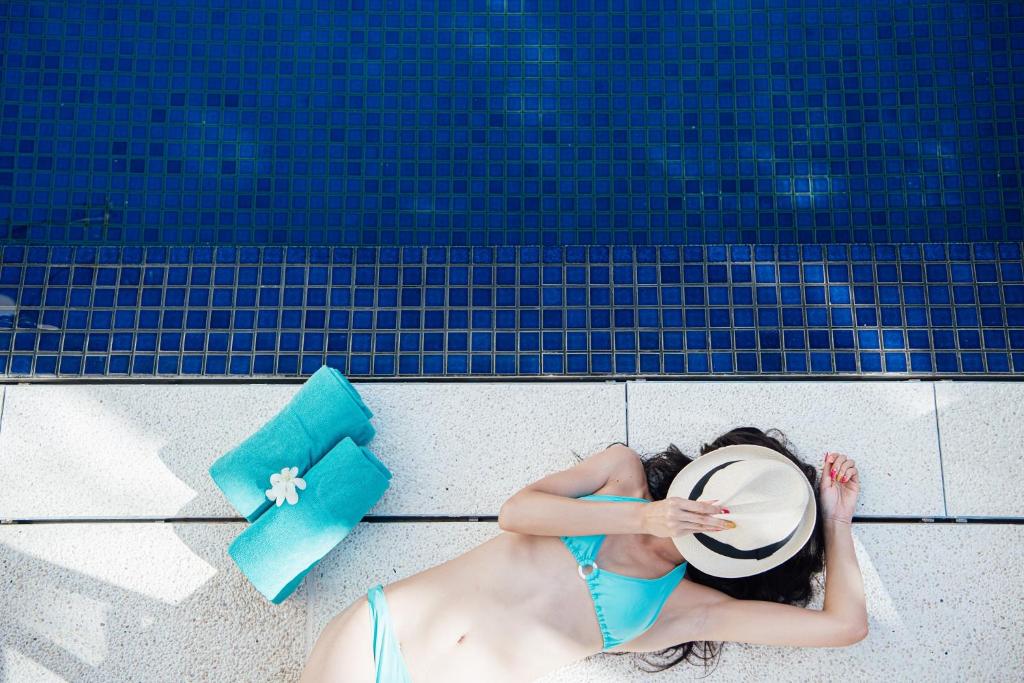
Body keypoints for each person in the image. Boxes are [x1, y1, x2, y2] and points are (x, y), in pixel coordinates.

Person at [300, 427, 866, 682]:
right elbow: (516, 512)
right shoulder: (620, 473)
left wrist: (837, 522)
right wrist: (642, 515)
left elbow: (845, 626)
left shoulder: (681, 607)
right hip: (380, 635)